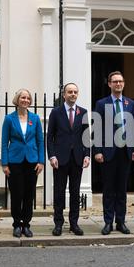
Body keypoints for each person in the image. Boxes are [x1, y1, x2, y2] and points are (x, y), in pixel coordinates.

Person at [94, 71, 134, 235]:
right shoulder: (101, 103)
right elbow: (97, 128)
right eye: (115, 81)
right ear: (109, 84)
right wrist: (97, 151)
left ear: (124, 83)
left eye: (120, 81)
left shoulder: (130, 104)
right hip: (108, 152)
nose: (118, 84)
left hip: (125, 152)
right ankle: (107, 222)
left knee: (122, 189)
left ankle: (121, 222)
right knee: (108, 189)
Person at [47, 83, 90, 236]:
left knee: (75, 192)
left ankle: (74, 224)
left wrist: (87, 155)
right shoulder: (56, 112)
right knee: (59, 192)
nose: (73, 94)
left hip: (77, 158)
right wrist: (51, 156)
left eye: (75, 92)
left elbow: (86, 137)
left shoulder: (83, 112)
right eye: (70, 92)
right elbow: (49, 137)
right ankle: (58, 224)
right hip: (60, 159)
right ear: (64, 94)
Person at [1, 89, 44, 238]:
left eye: (27, 98)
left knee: (29, 194)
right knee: (17, 194)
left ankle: (26, 224)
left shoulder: (35, 118)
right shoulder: (9, 119)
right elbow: (4, 142)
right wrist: (4, 164)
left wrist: (41, 161)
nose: (25, 100)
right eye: (22, 97)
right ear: (17, 100)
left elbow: (40, 141)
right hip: (15, 161)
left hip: (32, 161)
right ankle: (17, 224)